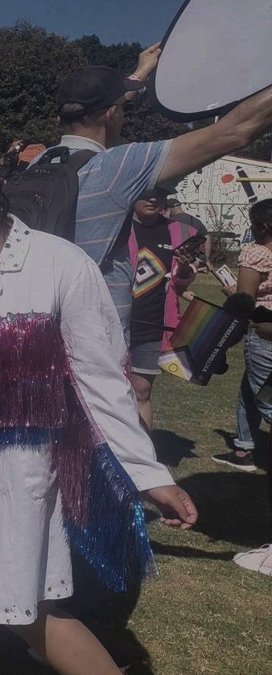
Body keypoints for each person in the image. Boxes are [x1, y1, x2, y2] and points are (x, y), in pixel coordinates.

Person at [0, 142, 198, 675]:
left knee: (27, 608)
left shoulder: (59, 264)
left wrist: (149, 474)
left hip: (19, 462)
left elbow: (102, 383)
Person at [47, 48, 272, 328]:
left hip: (48, 325)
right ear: (111, 114)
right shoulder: (117, 166)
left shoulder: (41, 163)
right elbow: (233, 132)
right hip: (93, 342)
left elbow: (103, 108)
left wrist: (139, 76)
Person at [127, 187, 199, 432]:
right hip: (114, 323)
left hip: (153, 325)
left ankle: (142, 455)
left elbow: (179, 283)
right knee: (109, 390)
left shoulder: (178, 232)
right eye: (145, 193)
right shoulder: (116, 227)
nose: (153, 199)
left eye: (160, 194)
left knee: (141, 390)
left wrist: (186, 271)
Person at [217, 198, 272, 472]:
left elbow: (245, 302)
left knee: (266, 400)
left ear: (261, 226)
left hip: (262, 334)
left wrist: (231, 292)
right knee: (249, 393)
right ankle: (243, 449)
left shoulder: (257, 254)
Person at [165, 196, 212, 269]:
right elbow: (207, 238)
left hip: (176, 260)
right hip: (192, 260)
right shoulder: (195, 220)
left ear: (170, 209)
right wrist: (207, 260)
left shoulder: (171, 222)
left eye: (166, 209)